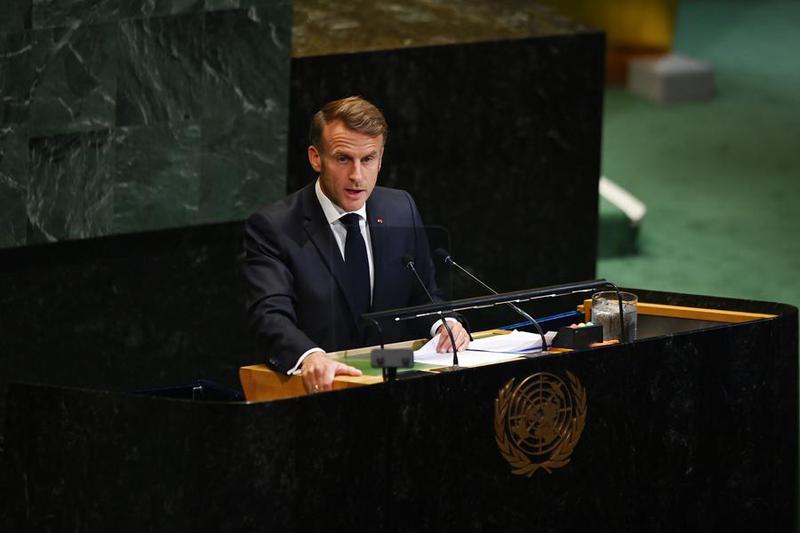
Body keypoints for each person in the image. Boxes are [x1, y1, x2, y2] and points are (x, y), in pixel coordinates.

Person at [243, 96, 469, 393]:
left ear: (381, 158)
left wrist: (444, 324)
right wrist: (311, 356)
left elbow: (424, 295)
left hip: (395, 381)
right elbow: (270, 316)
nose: (357, 176)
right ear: (315, 158)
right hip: (319, 389)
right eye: (342, 158)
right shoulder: (274, 227)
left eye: (368, 159)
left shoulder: (400, 208)